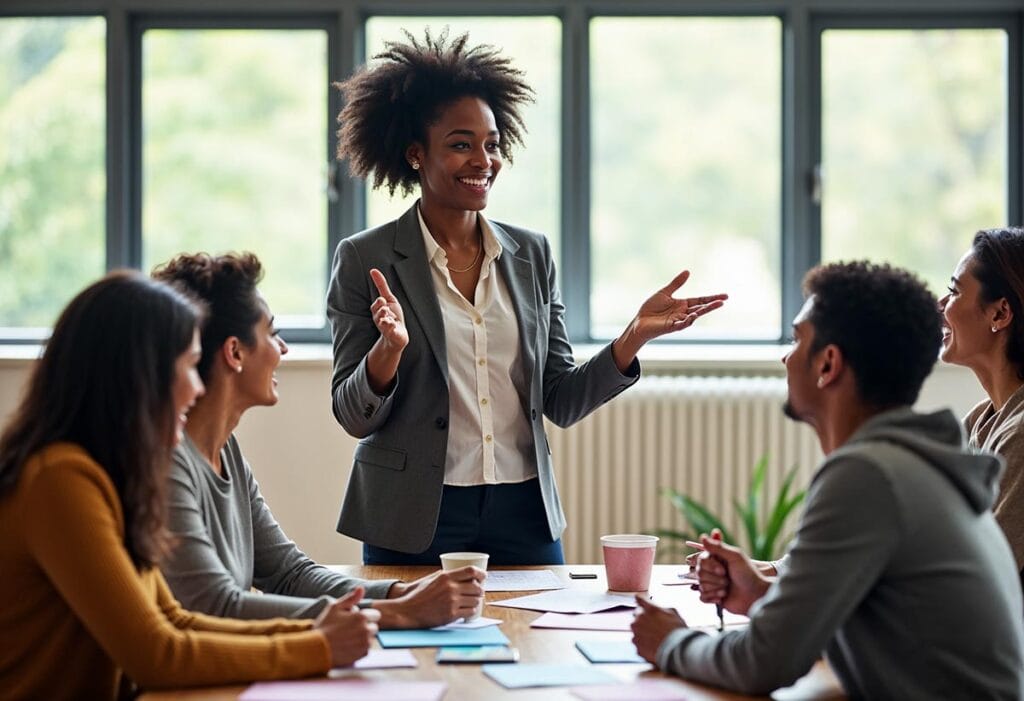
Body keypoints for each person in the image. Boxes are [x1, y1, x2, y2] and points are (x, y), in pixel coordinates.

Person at [329, 29, 727, 565]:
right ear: (415, 154)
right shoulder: (365, 258)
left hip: (523, 508)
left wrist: (633, 338)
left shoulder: (531, 254)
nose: (483, 160)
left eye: (491, 144)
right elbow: (354, 415)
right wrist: (387, 353)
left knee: (545, 644)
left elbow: (559, 399)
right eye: (461, 144)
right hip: (413, 512)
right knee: (412, 648)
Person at [631, 261, 1024, 698]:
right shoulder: (911, 464)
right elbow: (890, 620)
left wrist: (669, 641)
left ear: (828, 364)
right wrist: (763, 596)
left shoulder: (868, 475)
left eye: (798, 339)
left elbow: (763, 664)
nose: (785, 356)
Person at [0, 272, 377, 701]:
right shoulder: (60, 480)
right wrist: (318, 645)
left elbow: (176, 620)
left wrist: (316, 630)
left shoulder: (110, 472)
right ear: (139, 376)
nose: (197, 386)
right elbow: (156, 654)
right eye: (187, 366)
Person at [153, 252, 484, 626]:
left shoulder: (225, 450)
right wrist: (394, 613)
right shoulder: (169, 462)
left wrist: (399, 593)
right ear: (234, 352)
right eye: (272, 334)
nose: (283, 349)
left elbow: (288, 574)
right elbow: (216, 605)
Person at [939, 227, 1024, 579]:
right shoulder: (981, 422)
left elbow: (981, 575)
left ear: (1000, 314)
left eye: (954, 291)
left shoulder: (1021, 434)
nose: (941, 305)